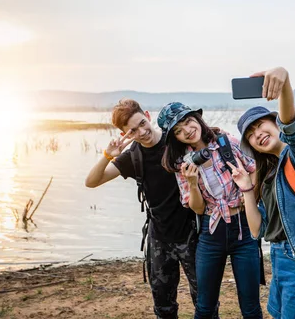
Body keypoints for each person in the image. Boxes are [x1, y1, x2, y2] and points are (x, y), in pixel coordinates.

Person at [229, 67, 295, 319]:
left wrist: (284, 78)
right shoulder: (268, 176)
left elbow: (293, 126)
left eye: (259, 125)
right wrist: (246, 189)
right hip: (279, 259)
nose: (257, 135)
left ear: (275, 122)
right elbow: (258, 230)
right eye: (251, 135)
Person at [85, 98, 199, 319]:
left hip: (192, 233)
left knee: (204, 302)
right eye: (133, 131)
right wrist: (108, 155)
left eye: (142, 123)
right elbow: (91, 181)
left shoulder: (174, 140)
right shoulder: (132, 156)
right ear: (125, 134)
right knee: (163, 307)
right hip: (159, 238)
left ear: (147, 115)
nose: (142, 132)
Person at [158, 102, 263, 319]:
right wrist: (193, 183)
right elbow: (197, 208)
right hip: (211, 231)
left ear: (197, 118)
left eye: (188, 122)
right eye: (178, 131)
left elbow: (255, 169)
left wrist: (247, 194)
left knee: (251, 306)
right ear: (175, 138)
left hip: (244, 228)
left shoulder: (225, 141)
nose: (187, 130)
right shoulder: (183, 164)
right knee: (205, 306)